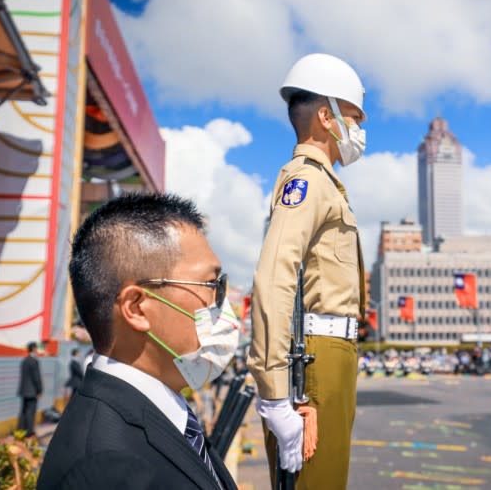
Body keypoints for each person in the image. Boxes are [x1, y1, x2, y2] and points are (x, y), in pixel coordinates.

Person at [37, 193, 238, 490]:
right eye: (212, 285)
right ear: (137, 308)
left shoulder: (162, 413)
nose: (222, 303)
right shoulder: (105, 466)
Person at [247, 53, 367, 490]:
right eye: (353, 117)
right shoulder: (308, 180)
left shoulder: (325, 183)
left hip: (334, 352)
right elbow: (274, 277)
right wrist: (277, 394)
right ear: (325, 117)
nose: (359, 130)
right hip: (317, 355)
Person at [17, 341, 43, 436]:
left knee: (23, 411)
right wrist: (39, 390)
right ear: (34, 349)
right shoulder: (34, 361)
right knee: (31, 412)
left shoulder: (24, 360)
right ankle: (29, 431)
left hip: (24, 390)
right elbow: (36, 377)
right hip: (32, 391)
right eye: (36, 348)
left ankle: (20, 430)